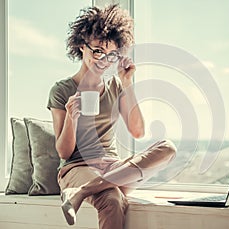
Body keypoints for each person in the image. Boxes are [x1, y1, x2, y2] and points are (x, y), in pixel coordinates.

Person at [47, 4, 176, 229]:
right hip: (77, 167)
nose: (103, 60)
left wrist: (127, 84)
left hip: (113, 167)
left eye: (111, 55)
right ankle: (85, 187)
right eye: (97, 50)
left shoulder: (116, 86)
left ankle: (81, 193)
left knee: (168, 149)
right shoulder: (62, 90)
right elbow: (64, 152)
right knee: (112, 199)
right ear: (81, 45)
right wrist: (71, 117)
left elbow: (138, 131)